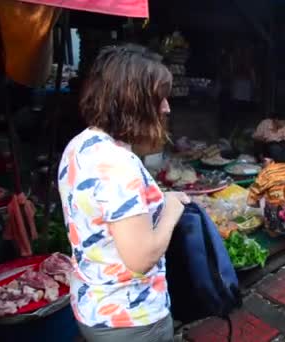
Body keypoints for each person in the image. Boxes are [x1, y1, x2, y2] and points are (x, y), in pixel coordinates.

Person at [57, 44, 188, 341]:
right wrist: (170, 208)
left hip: (94, 305)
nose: (167, 107)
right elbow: (140, 258)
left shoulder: (81, 144)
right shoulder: (119, 165)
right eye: (159, 98)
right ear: (132, 101)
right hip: (132, 321)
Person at [247, 161, 285, 236]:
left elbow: (250, 202)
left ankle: (273, 232)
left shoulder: (268, 172)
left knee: (263, 195)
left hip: (276, 225)